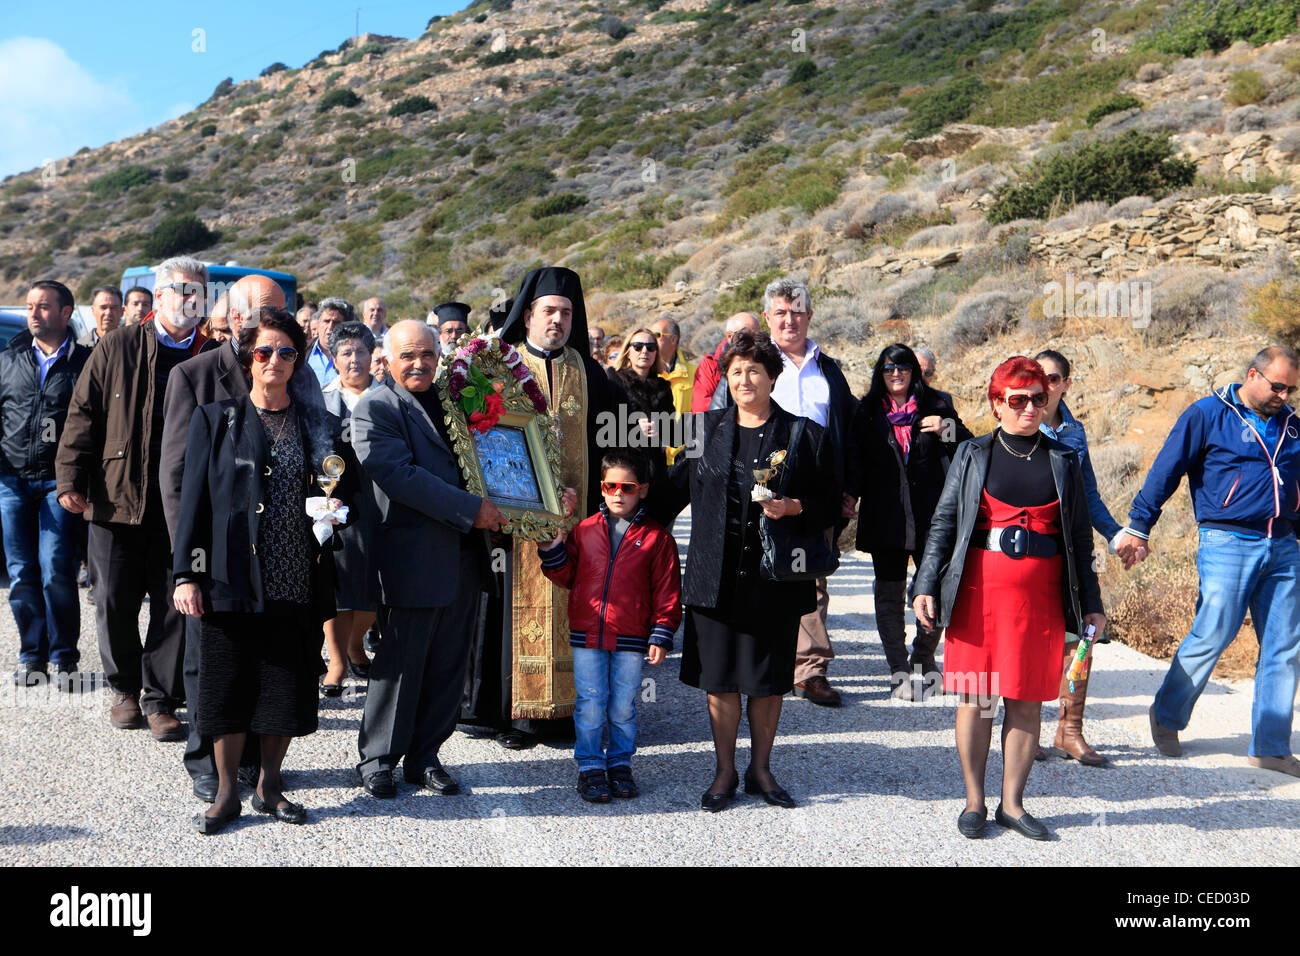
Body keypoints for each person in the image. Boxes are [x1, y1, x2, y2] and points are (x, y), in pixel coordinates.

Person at [912, 356, 1104, 841]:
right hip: (979, 594)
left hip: (1040, 600)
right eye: (1018, 400)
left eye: (1039, 399)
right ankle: (974, 801)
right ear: (997, 404)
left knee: (1025, 702)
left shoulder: (1064, 459)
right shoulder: (974, 454)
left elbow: (1080, 539)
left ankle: (1012, 804)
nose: (1030, 409)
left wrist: (1093, 604)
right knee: (977, 700)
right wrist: (925, 584)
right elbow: (943, 522)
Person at [172, 307, 347, 833]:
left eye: (287, 352)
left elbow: (344, 489)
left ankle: (271, 786)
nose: (275, 360)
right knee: (226, 685)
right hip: (230, 576)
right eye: (265, 351)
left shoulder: (321, 423)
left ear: (298, 360)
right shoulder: (215, 419)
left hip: (296, 574)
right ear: (248, 356)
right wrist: (186, 574)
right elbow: (193, 505)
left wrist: (337, 511)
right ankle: (226, 792)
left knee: (283, 684)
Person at [656, 329, 839, 811]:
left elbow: (832, 505)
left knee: (767, 677)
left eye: (754, 370)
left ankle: (761, 769)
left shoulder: (805, 433)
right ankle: (724, 770)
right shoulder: (703, 429)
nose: (744, 379)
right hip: (714, 577)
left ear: (773, 376)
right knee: (719, 678)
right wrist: (616, 514)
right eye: (735, 371)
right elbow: (669, 495)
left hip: (773, 580)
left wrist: (795, 505)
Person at [461, 267, 629, 749]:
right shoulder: (499, 367)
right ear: (529, 315)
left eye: (566, 312)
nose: (557, 320)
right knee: (509, 608)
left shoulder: (588, 371)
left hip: (577, 522)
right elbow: (479, 439)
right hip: (513, 525)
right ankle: (515, 716)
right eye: (549, 311)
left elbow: (614, 438)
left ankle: (568, 713)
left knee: (576, 610)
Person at [1117, 346, 1300, 777]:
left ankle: (1271, 746)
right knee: (1213, 634)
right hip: (1228, 541)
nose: (1284, 395)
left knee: (1285, 647)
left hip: (1284, 546)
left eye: (1290, 388)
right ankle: (1166, 715)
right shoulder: (1206, 413)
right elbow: (1166, 469)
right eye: (1277, 386)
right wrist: (1140, 525)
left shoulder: (1293, 425)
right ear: (1252, 375)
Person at [56, 256, 209, 741]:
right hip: (116, 494)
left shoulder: (213, 355)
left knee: (174, 602)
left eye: (197, 292)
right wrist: (69, 479)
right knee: (113, 598)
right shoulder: (118, 345)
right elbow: (82, 412)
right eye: (180, 290)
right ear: (158, 296)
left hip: (182, 503)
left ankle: (160, 698)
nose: (189, 300)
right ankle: (124, 689)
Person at [350, 320, 503, 798]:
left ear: (439, 355)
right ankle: (378, 758)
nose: (418, 364)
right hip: (414, 554)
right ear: (387, 360)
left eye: (427, 355)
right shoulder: (376, 407)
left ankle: (424, 755)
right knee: (401, 661)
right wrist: (470, 508)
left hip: (465, 553)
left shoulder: (455, 400)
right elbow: (399, 474)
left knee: (448, 663)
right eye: (407, 356)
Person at [538, 450, 680, 802]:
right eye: (610, 485)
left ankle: (619, 764)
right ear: (601, 488)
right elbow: (567, 575)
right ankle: (589, 766)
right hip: (588, 633)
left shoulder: (657, 539)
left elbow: (668, 591)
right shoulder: (584, 531)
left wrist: (661, 632)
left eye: (627, 486)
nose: (618, 493)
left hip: (631, 636)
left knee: (622, 705)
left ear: (642, 490)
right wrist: (551, 548)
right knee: (589, 701)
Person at [846, 343, 970, 700]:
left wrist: (946, 427)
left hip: (931, 515)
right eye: (888, 368)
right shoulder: (867, 411)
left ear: (914, 371)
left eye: (902, 367)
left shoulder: (938, 405)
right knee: (888, 593)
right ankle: (898, 669)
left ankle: (923, 655)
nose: (895, 373)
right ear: (879, 373)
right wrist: (849, 495)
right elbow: (855, 460)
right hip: (886, 516)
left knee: (935, 589)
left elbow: (967, 449)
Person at [1034, 349, 1131, 765]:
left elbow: (1088, 492)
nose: (1045, 386)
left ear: (1066, 384)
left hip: (1075, 552)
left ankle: (1069, 731)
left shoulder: (1075, 433)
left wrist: (1116, 535)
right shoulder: (1016, 423)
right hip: (1031, 551)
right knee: (1031, 642)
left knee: (1083, 639)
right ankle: (1023, 732)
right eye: (1039, 377)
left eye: (1054, 379)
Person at [764, 278, 856, 706]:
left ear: (809, 317)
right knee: (761, 571)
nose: (789, 319)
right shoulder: (753, 363)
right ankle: (765, 662)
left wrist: (849, 489)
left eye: (797, 311)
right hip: (764, 484)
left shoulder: (830, 370)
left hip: (817, 490)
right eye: (781, 312)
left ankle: (810, 670)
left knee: (811, 576)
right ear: (768, 316)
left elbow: (850, 431)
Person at [3, 281, 91, 689]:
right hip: (12, 481)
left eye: (42, 306)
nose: (33, 313)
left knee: (56, 567)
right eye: (29, 306)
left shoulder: (85, 363)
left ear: (66, 312)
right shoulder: (8, 360)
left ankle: (64, 657)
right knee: (21, 571)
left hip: (61, 482)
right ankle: (31, 655)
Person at [320, 321, 380, 695]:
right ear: (334, 358)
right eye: (346, 353)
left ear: (372, 356)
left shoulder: (390, 397)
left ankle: (358, 644)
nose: (354, 359)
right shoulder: (320, 399)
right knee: (337, 585)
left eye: (360, 351)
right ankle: (338, 661)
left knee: (373, 584)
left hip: (380, 502)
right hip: (336, 506)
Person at [608, 327, 676, 485]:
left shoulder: (663, 387)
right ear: (628, 351)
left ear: (656, 354)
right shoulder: (613, 381)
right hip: (622, 468)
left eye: (651, 348)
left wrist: (661, 429)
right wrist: (634, 429)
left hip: (654, 470)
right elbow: (602, 425)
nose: (644, 351)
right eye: (638, 347)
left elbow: (675, 435)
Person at [692, 312, 760, 413]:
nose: (752, 341)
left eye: (757, 336)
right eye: (745, 336)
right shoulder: (710, 364)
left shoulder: (765, 361)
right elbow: (701, 411)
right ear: (729, 336)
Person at [652, 317, 695, 416]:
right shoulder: (646, 372)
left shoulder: (696, 373)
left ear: (673, 339)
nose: (652, 340)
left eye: (657, 335)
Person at [306, 297, 351, 386]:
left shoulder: (353, 355)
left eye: (336, 322)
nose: (330, 327)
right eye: (326, 321)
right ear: (318, 324)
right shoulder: (302, 351)